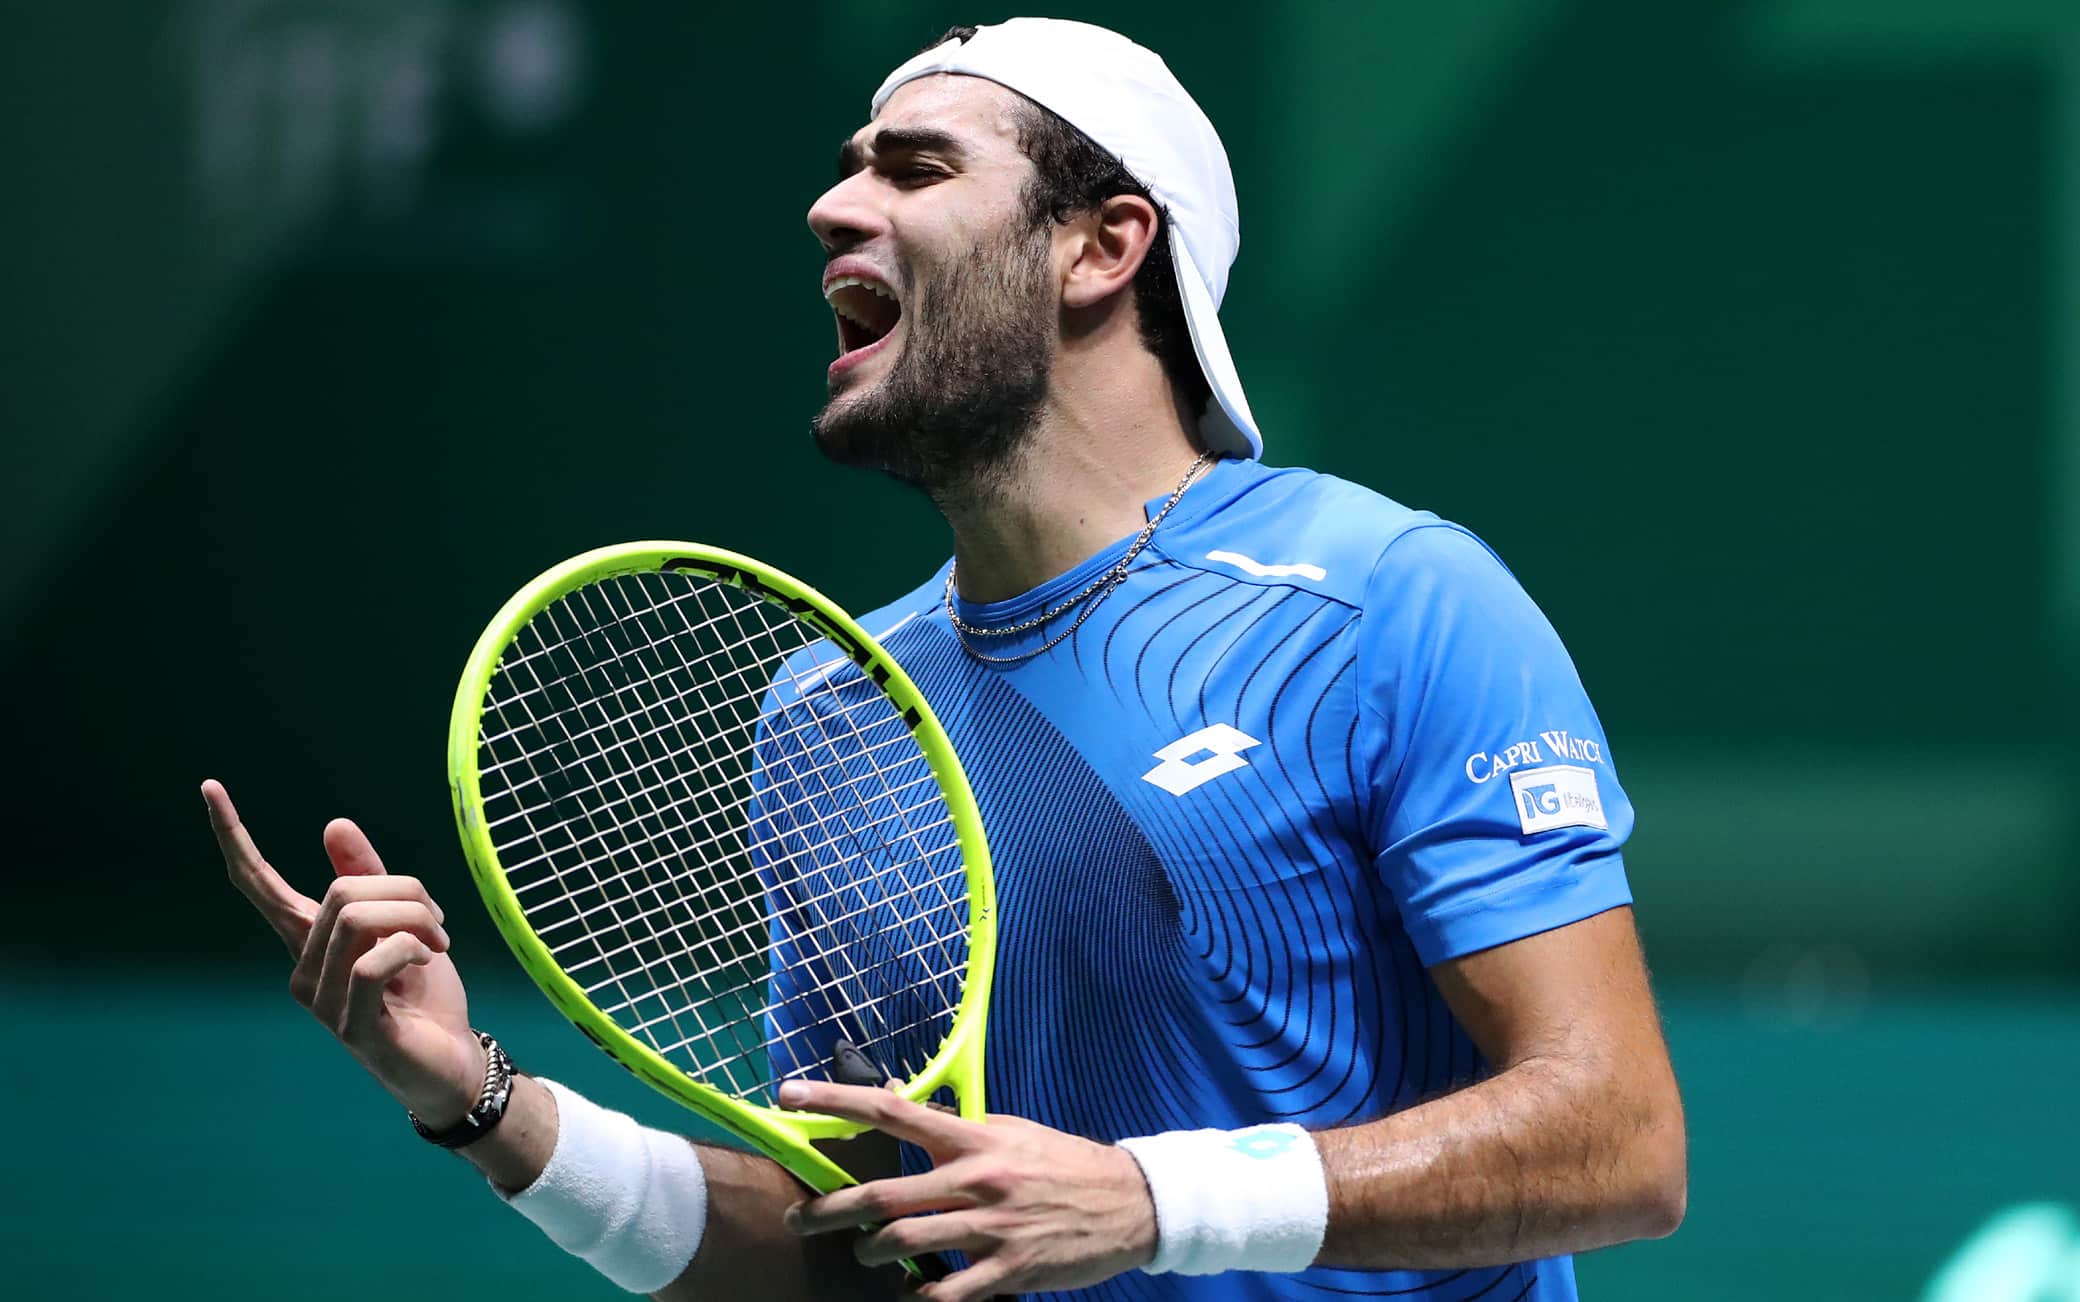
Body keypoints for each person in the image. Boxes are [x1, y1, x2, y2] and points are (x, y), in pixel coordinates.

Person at [206, 18, 1685, 1302]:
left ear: (1103, 246)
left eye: (914, 169)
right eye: (852, 165)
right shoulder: (829, 709)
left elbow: (1619, 1139)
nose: (830, 206)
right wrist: (483, 1102)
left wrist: (1150, 1201)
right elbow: (864, 1243)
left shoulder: (1384, 599)